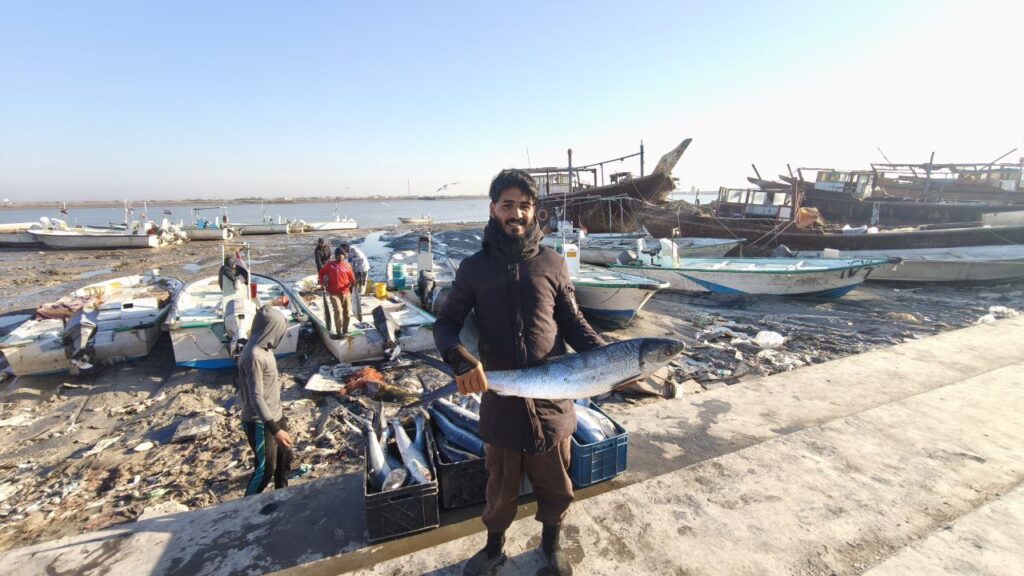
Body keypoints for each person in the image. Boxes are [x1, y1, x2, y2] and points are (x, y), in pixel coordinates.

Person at [434, 169, 604, 576]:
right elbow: (445, 326)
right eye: (507, 205)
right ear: (493, 209)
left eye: (524, 206)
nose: (516, 213)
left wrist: (611, 359)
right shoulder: (474, 268)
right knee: (500, 489)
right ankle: (494, 548)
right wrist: (460, 360)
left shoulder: (553, 262)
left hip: (552, 400)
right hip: (502, 401)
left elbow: (575, 323)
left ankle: (552, 545)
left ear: (535, 212)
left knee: (557, 485)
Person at [237, 306, 293, 496]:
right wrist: (275, 430)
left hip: (276, 413)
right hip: (259, 421)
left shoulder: (264, 347)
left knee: (285, 460)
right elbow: (256, 397)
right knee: (266, 468)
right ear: (270, 329)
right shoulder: (254, 356)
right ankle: (245, 505)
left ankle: (282, 497)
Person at [319, 246, 356, 336]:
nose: (340, 256)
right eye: (338, 254)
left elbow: (351, 278)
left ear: (344, 255)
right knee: (338, 311)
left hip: (346, 293)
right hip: (334, 293)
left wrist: (354, 283)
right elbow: (321, 273)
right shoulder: (330, 265)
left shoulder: (348, 265)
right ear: (336, 255)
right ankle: (338, 331)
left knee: (347, 313)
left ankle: (345, 330)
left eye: (342, 254)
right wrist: (322, 284)